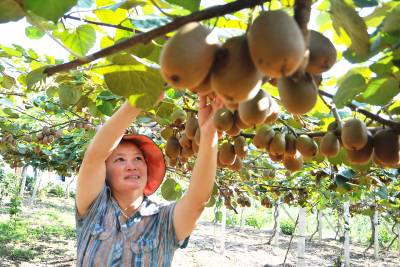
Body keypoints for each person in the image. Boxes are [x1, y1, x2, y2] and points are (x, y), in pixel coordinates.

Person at [75, 91, 223, 266]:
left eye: (138, 158)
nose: (131, 165)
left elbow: (197, 201)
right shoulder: (94, 209)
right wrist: (137, 101)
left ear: (146, 168)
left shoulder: (165, 220)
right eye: (120, 159)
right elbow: (94, 158)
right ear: (104, 173)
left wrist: (209, 135)